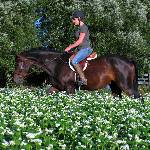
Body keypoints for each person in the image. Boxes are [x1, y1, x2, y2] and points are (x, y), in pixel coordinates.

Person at [65, 10, 93, 85]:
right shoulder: (78, 28)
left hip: (86, 49)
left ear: (79, 18)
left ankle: (83, 79)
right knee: (69, 59)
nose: (73, 21)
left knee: (74, 61)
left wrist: (70, 47)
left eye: (74, 19)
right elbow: (77, 42)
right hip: (80, 49)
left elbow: (80, 41)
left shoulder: (84, 27)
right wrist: (70, 47)